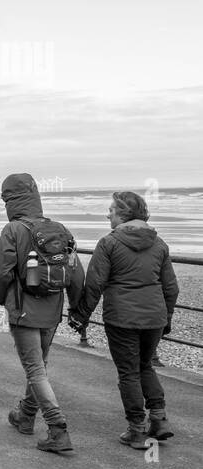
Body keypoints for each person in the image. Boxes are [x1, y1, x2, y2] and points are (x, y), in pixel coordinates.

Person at [69, 191, 178, 449]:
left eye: (111, 210)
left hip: (122, 318)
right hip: (154, 317)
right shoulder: (159, 244)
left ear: (123, 214)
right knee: (145, 366)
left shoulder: (108, 243)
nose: (108, 214)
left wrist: (80, 316)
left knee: (129, 371)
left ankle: (137, 430)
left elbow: (95, 284)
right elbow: (171, 288)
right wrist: (167, 318)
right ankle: (160, 420)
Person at [0, 173, 85, 454]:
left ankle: (58, 428)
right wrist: (76, 308)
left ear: (10, 200)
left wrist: (2, 300)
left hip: (23, 310)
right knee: (40, 366)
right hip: (52, 310)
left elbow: (2, 272)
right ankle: (26, 415)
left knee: (34, 368)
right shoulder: (59, 228)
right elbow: (76, 274)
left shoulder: (13, 230)